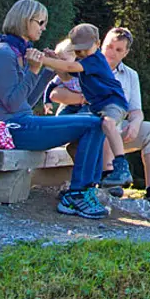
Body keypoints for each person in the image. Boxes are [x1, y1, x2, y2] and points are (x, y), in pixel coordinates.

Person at [0, 0, 108, 219]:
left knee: (96, 123)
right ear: (24, 21)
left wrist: (47, 69)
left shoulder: (18, 52)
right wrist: (33, 70)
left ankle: (86, 189)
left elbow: (26, 102)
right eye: (40, 22)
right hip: (7, 130)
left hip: (20, 123)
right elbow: (11, 103)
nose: (44, 27)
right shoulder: (3, 54)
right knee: (94, 124)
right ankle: (78, 194)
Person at [50, 27, 150, 202]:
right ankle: (108, 180)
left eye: (119, 49)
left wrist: (135, 123)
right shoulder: (82, 63)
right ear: (100, 44)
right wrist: (86, 98)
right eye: (109, 46)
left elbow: (135, 110)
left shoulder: (130, 75)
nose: (112, 52)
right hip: (84, 123)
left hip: (114, 127)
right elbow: (56, 94)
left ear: (126, 53)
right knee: (104, 120)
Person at [39, 24, 133, 188]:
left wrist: (43, 59)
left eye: (85, 48)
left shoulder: (96, 59)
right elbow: (66, 76)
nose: (81, 53)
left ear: (97, 44)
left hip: (113, 102)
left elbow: (69, 67)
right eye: (78, 49)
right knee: (75, 145)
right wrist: (54, 59)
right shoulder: (84, 62)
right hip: (98, 107)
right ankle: (89, 181)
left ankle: (121, 166)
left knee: (108, 123)